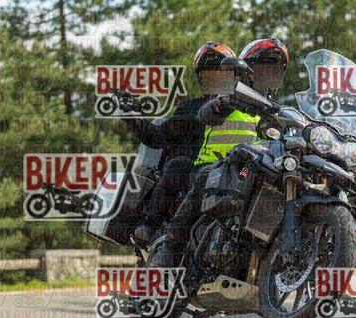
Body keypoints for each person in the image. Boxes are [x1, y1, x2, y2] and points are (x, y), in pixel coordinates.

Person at [151, 38, 289, 268]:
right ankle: (170, 248)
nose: (268, 76)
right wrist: (222, 103)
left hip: (253, 172)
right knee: (206, 179)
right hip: (211, 165)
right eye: (263, 69)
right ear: (248, 71)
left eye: (274, 70)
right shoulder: (230, 95)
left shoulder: (279, 112)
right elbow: (206, 113)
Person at [123, 42, 237, 244]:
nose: (215, 79)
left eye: (220, 74)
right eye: (209, 74)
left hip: (236, 171)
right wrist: (131, 116)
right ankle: (151, 225)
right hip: (197, 173)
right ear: (201, 78)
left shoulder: (247, 106)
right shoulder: (192, 108)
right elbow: (157, 137)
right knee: (180, 165)